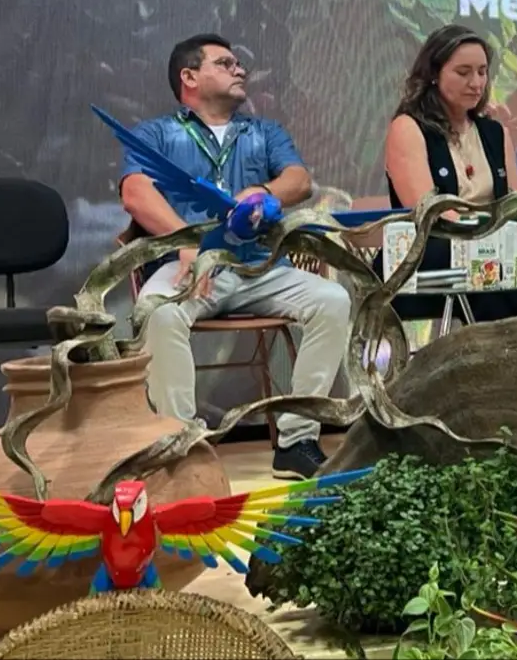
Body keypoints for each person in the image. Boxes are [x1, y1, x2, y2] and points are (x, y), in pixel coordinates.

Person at [120, 34, 348, 480]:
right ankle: (180, 445)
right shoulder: (156, 134)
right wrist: (187, 242)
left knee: (333, 301)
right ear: (189, 77)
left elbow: (299, 180)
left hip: (262, 266)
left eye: (239, 63)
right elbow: (135, 193)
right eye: (225, 63)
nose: (240, 69)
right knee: (158, 312)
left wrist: (263, 191)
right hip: (187, 268)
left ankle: (297, 440)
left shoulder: (263, 132)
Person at [383, 24, 517, 347]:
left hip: (491, 263)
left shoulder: (495, 133)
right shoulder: (408, 128)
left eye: (482, 72)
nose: (476, 83)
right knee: (505, 275)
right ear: (434, 74)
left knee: (510, 279)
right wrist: (496, 246)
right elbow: (429, 214)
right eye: (463, 72)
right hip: (426, 256)